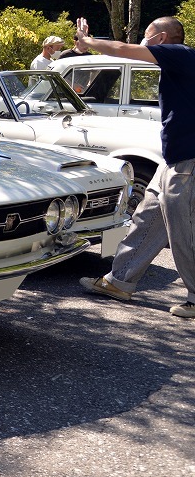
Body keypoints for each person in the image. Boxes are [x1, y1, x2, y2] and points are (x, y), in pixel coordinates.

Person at [77, 16, 195, 319]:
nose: (143, 41)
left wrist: (88, 42)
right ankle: (120, 281)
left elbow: (122, 48)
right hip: (174, 161)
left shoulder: (179, 53)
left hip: (187, 161)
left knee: (183, 231)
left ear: (162, 38)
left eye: (147, 35)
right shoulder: (178, 62)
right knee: (147, 217)